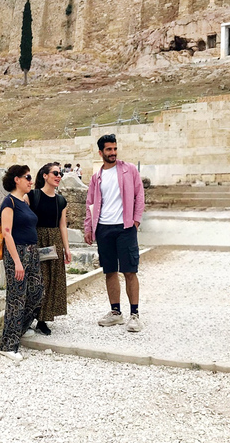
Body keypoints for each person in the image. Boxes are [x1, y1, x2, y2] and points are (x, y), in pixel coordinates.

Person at [84, 134, 145, 332]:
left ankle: (134, 315)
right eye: (109, 150)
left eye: (115, 149)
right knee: (109, 271)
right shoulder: (96, 177)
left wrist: (136, 220)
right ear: (101, 152)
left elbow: (139, 195)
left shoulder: (130, 170)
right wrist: (88, 227)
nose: (113, 153)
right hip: (103, 228)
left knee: (129, 271)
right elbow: (90, 204)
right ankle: (116, 312)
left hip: (125, 227)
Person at [0, 165, 43, 362]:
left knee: (36, 293)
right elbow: (6, 232)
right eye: (27, 177)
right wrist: (17, 261)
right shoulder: (9, 203)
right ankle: (7, 344)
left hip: (32, 252)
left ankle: (20, 329)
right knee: (16, 298)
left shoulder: (24, 200)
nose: (30, 181)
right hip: (18, 252)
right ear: (17, 179)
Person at [27, 162, 71, 335]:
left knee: (51, 281)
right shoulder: (32, 195)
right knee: (36, 280)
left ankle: (43, 320)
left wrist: (67, 249)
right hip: (36, 239)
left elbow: (62, 226)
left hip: (54, 242)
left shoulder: (61, 201)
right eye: (55, 173)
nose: (59, 176)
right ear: (45, 175)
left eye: (60, 173)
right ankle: (29, 317)